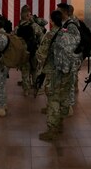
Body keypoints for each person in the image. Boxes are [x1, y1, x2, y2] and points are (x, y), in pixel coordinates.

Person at [37, 10, 68, 141]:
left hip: (52, 72)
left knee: (53, 100)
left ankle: (52, 130)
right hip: (65, 71)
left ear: (51, 21)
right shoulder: (66, 33)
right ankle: (60, 124)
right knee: (61, 98)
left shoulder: (50, 35)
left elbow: (41, 54)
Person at [57, 3, 82, 116]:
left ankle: (69, 108)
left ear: (65, 12)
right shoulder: (65, 23)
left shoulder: (71, 24)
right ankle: (65, 106)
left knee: (70, 84)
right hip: (65, 58)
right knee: (66, 83)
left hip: (70, 59)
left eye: (59, 11)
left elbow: (75, 42)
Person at [15, 9, 44, 96]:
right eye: (30, 14)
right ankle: (36, 89)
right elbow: (41, 37)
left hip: (23, 53)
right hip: (33, 51)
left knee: (25, 71)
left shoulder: (18, 27)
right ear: (27, 16)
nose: (31, 16)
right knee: (34, 70)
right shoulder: (34, 25)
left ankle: (26, 90)